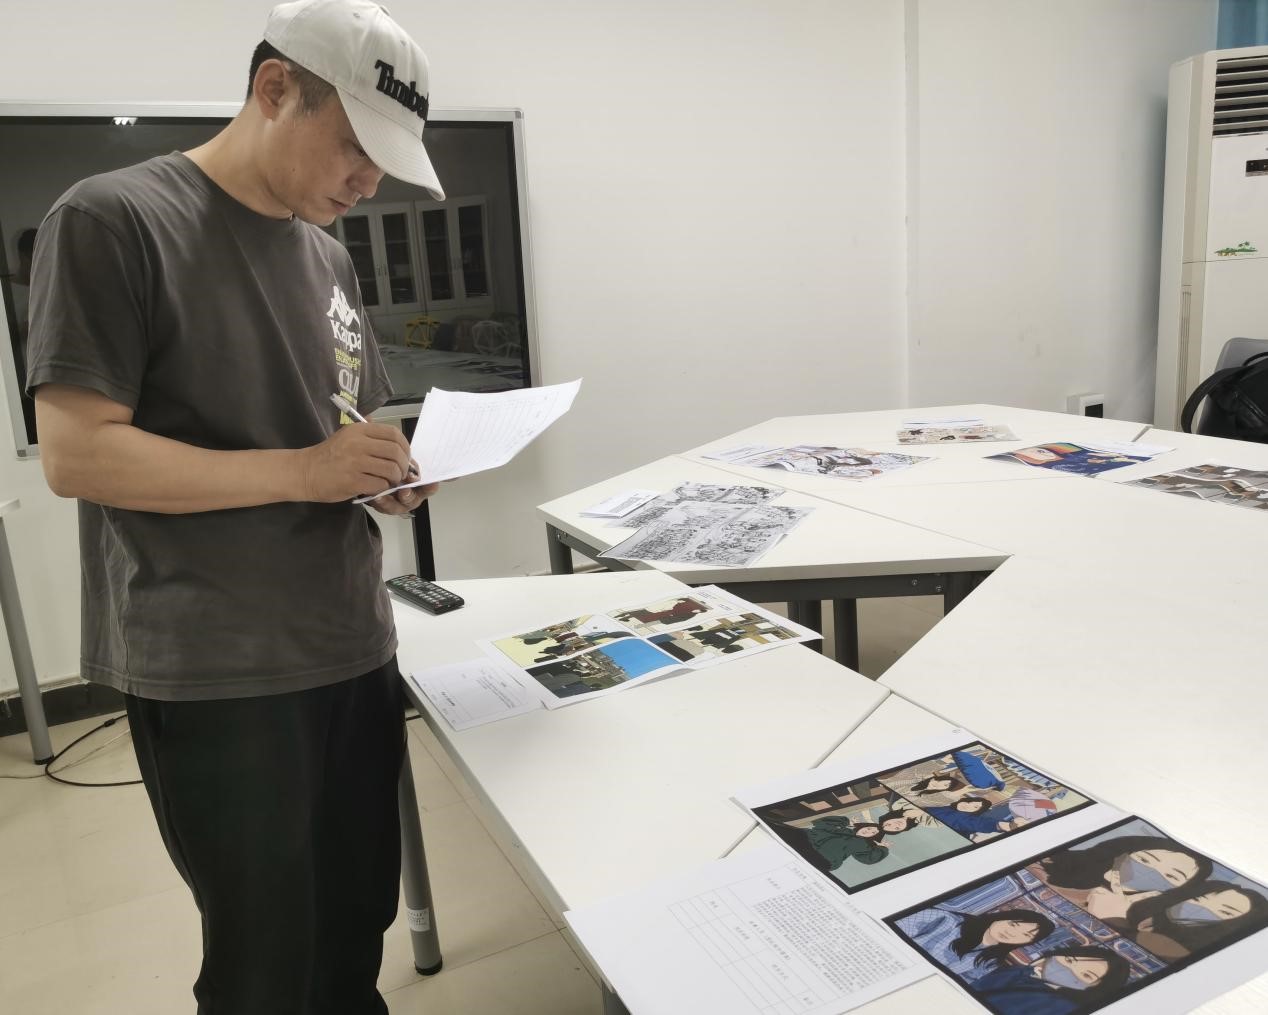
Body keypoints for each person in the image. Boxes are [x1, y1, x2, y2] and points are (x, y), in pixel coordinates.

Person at [25, 2, 446, 1012]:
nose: (367, 183)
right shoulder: (113, 219)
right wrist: (304, 471)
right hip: (219, 665)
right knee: (265, 960)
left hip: (351, 639)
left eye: (385, 162)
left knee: (353, 929)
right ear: (273, 90)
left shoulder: (327, 254)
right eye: (354, 148)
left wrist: (385, 473)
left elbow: (338, 426)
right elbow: (78, 455)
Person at [1034, 835, 1213, 925]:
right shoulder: (1041, 867)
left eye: (1172, 876)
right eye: (1145, 860)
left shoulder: (1143, 923)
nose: (1152, 871)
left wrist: (1112, 918)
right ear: (1123, 854)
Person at [894, 907, 1056, 982]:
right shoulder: (944, 918)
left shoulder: (990, 963)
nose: (1012, 933)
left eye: (1026, 935)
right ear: (1001, 917)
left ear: (1028, 942)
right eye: (1014, 924)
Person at [1120, 880, 1268, 960]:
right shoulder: (1138, 922)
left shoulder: (1193, 954)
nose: (1204, 909)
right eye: (1198, 899)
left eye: (1225, 912)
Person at [970, 945, 1131, 1015]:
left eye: (1087, 975)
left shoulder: (1062, 1008)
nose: (1069, 969)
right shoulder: (1020, 972)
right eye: (1069, 960)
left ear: (1095, 988)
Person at [925, 797, 1026, 838]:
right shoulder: (947, 806)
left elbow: (977, 823)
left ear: (977, 812)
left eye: (975, 807)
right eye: (970, 802)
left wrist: (1004, 825)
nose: (967, 805)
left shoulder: (963, 817)